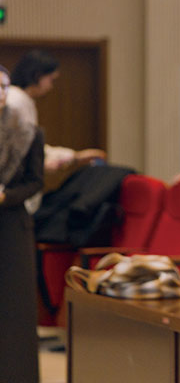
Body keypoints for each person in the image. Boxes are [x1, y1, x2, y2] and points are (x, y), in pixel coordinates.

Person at [8, 50, 107, 212]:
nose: (51, 86)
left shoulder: (22, 101)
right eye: (51, 79)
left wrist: (73, 157)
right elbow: (19, 152)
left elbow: (30, 148)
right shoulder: (15, 103)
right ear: (37, 75)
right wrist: (65, 158)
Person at [0, 65, 44, 382]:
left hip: (12, 222)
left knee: (15, 309)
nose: (0, 93)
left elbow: (35, 181)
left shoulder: (29, 132)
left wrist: (6, 196)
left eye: (4, 86)